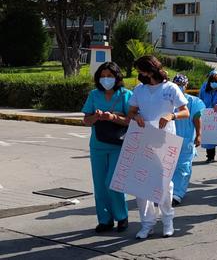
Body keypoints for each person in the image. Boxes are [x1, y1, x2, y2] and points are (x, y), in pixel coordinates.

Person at [127, 56, 190, 239]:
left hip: (165, 140)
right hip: (143, 138)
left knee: (164, 184)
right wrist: (135, 116)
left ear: (151, 69)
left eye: (142, 70)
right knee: (140, 184)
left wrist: (171, 116)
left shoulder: (171, 88)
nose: (140, 74)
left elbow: (185, 111)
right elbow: (131, 111)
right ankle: (147, 223)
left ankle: (167, 220)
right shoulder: (139, 89)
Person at [82, 62, 131, 234]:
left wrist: (112, 117)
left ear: (117, 77)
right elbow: (86, 120)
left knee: (113, 182)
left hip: (119, 145)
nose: (106, 79)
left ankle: (122, 216)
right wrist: (96, 117)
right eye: (103, 76)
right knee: (100, 184)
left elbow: (130, 120)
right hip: (98, 145)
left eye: (110, 76)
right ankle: (104, 219)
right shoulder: (94, 94)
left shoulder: (126, 95)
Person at [171, 74, 206, 206]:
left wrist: (198, 135)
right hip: (169, 138)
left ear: (186, 86)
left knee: (183, 167)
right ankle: (170, 191)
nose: (179, 87)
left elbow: (197, 118)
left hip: (186, 140)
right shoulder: (167, 100)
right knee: (170, 167)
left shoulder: (192, 102)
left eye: (182, 85)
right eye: (177, 85)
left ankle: (178, 193)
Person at [199, 71, 217, 163]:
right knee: (209, 138)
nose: (214, 83)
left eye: (216, 81)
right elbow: (200, 99)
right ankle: (210, 156)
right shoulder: (204, 87)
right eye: (212, 81)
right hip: (207, 116)